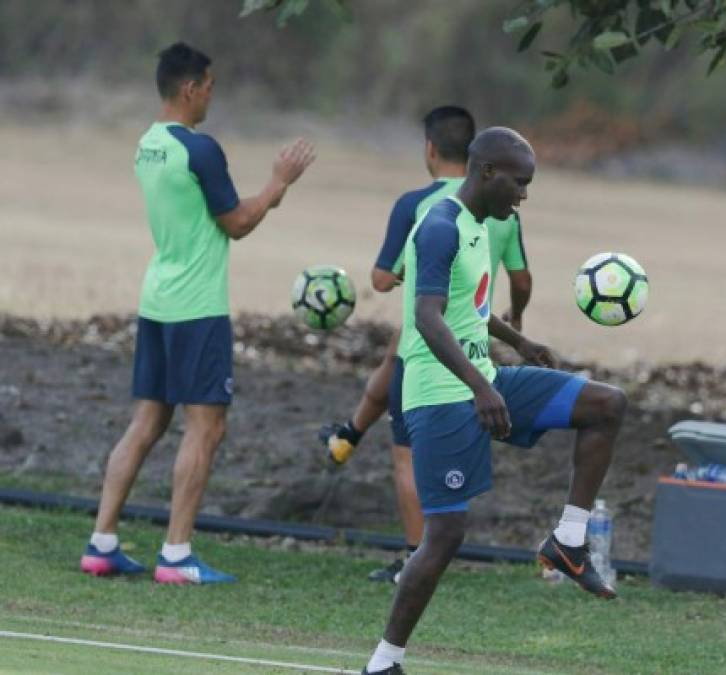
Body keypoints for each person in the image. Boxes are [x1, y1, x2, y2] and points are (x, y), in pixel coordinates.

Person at [361, 127, 626, 675]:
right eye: (519, 183)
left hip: (485, 378)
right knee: (444, 537)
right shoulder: (439, 227)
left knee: (606, 405)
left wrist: (517, 342)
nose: (524, 195)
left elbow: (466, 305)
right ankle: (384, 662)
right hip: (440, 396)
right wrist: (481, 388)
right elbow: (426, 316)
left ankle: (568, 541)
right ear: (485, 173)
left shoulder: (480, 224)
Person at [79, 42, 315, 584]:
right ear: (189, 88)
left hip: (158, 300)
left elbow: (221, 213)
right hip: (197, 308)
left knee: (147, 422)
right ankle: (178, 555)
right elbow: (237, 223)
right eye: (208, 85)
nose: (212, 94)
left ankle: (102, 543)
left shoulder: (148, 145)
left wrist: (267, 195)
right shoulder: (200, 149)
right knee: (206, 428)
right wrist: (280, 180)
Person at [317, 106, 532, 583]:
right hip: (475, 337)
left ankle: (416, 556)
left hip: (428, 343)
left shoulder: (418, 206)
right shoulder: (505, 208)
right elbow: (521, 277)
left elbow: (380, 277)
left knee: (406, 451)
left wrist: (404, 274)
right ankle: (347, 435)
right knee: (383, 381)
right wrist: (517, 323)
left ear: (430, 150)